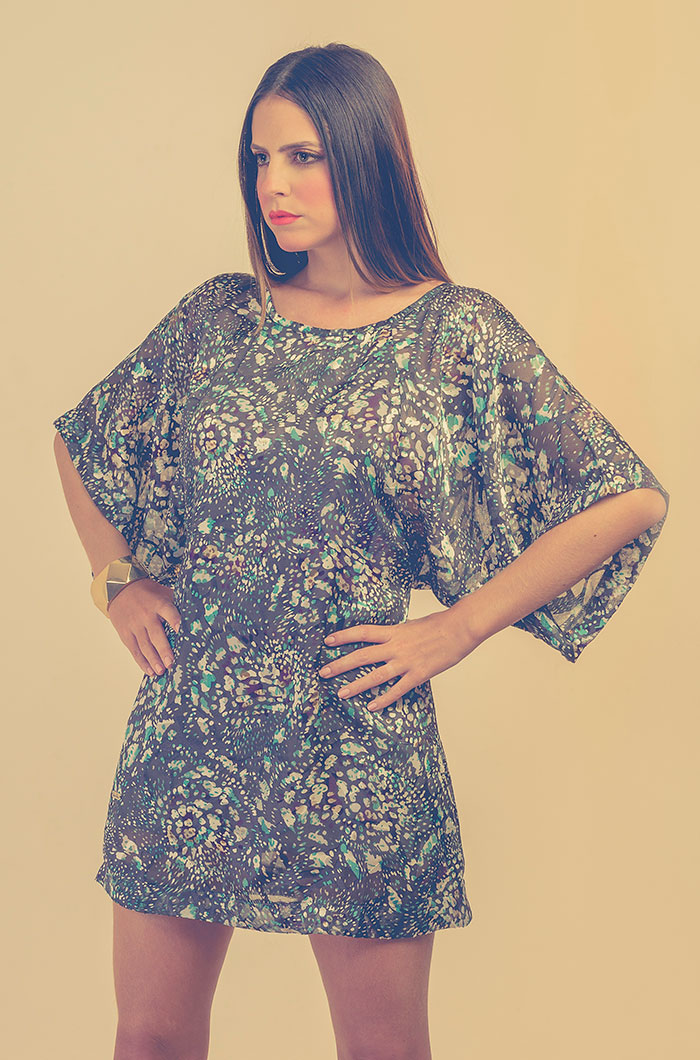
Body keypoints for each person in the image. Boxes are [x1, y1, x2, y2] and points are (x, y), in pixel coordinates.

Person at [53, 41, 669, 1060]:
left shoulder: (456, 333)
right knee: (151, 1038)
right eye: (260, 159)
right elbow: (84, 440)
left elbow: (627, 498)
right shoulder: (218, 317)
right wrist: (116, 581)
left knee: (382, 1050)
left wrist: (457, 628)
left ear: (365, 153)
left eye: (303, 156)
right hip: (191, 731)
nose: (274, 184)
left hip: (359, 741)